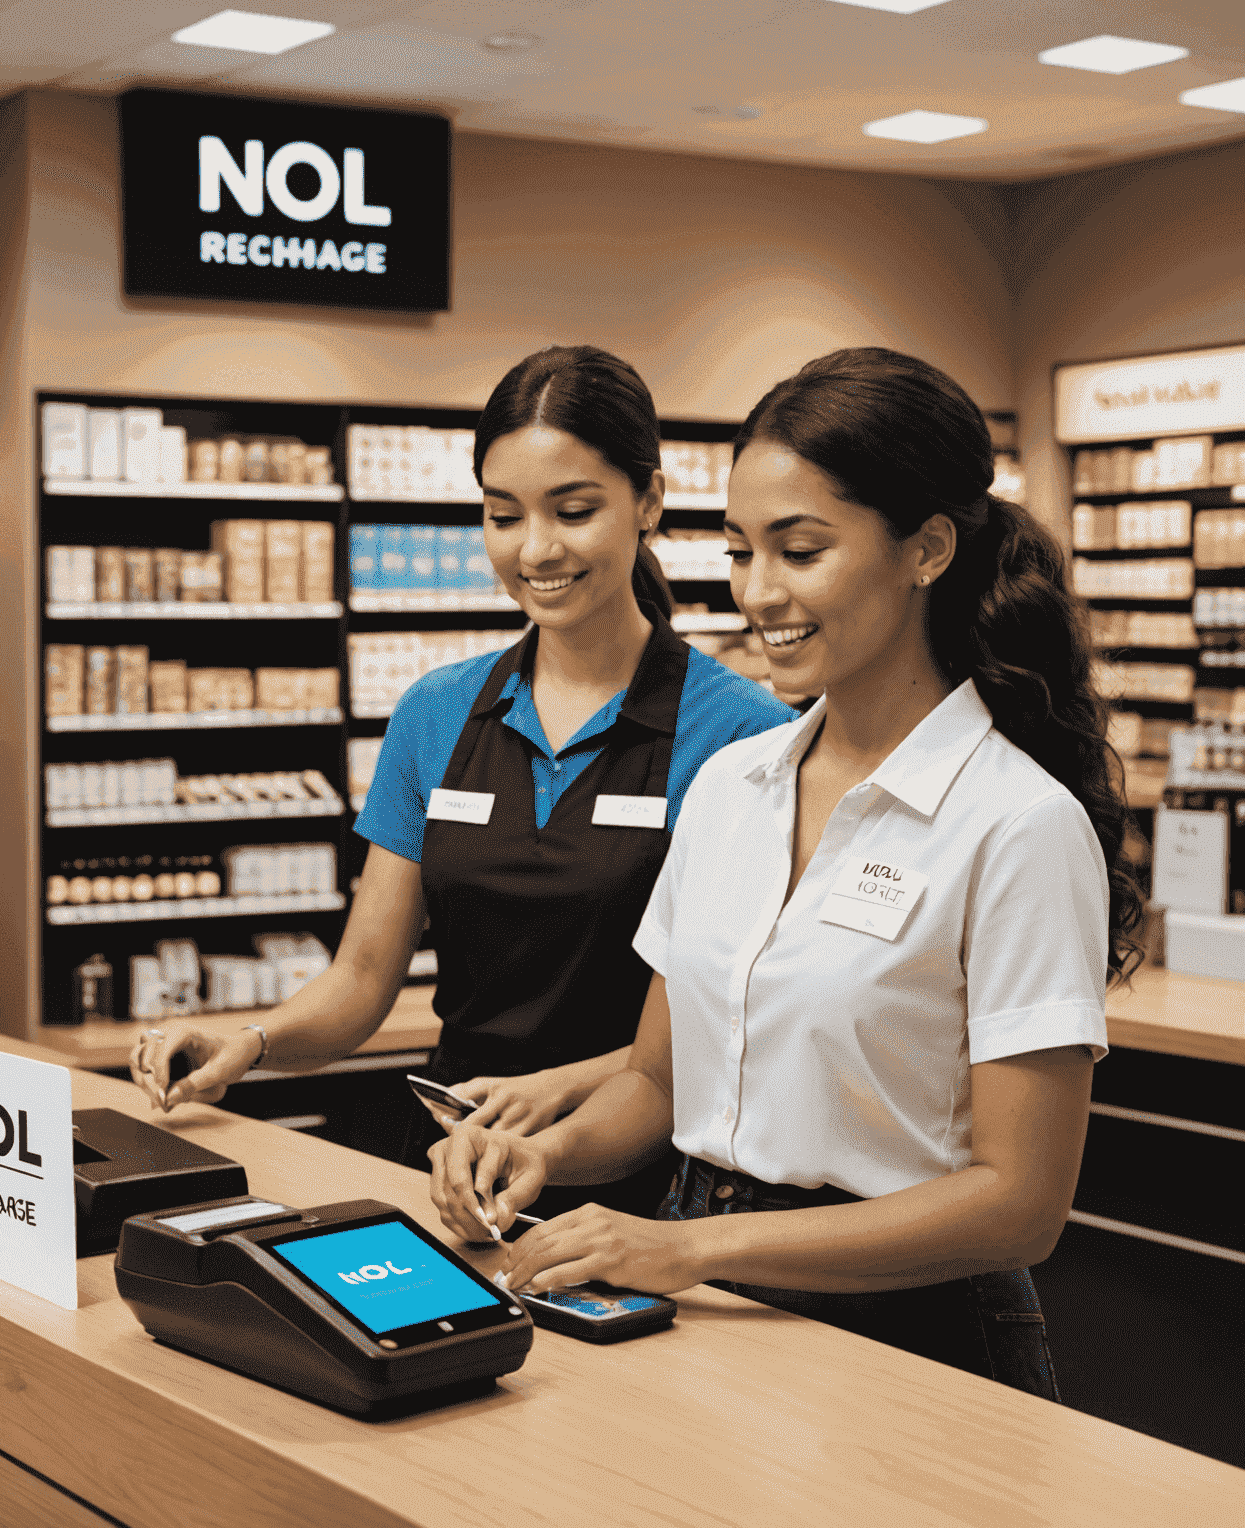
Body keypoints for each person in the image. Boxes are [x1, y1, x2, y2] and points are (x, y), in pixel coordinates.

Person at [428, 346, 1143, 1396]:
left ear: (928, 548)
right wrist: (551, 1156)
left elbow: (1020, 1205)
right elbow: (657, 1081)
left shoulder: (1014, 825)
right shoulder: (729, 787)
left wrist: (693, 1252)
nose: (760, 593)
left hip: (916, 1341)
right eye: (739, 549)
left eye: (800, 551)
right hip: (707, 1310)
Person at [130, 344, 793, 1217]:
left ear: (650, 502)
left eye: (574, 509)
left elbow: (741, 1026)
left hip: (642, 1188)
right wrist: (248, 1040)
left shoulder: (743, 734)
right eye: (503, 515)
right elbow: (364, 977)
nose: (536, 549)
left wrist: (560, 1086)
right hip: (451, 1162)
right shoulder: (436, 714)